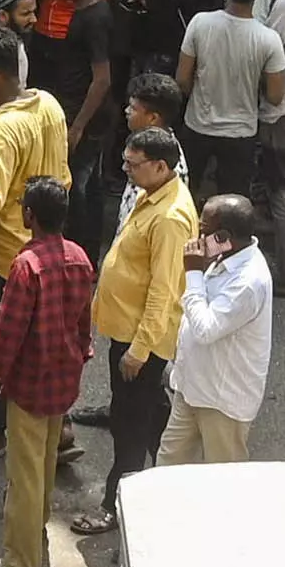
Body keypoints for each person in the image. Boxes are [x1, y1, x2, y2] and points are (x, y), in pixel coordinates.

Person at [77, 127, 196, 525]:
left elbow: (164, 290)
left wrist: (139, 351)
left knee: (127, 427)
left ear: (160, 166)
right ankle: (169, 477)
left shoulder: (170, 217)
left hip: (139, 341)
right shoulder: (153, 194)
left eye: (133, 163)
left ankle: (114, 506)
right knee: (148, 414)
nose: (125, 168)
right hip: (129, 331)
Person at [0, 180, 93, 567]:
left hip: (29, 383)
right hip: (63, 380)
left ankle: (21, 565)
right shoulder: (80, 258)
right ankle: (36, 527)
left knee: (23, 474)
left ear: (29, 215)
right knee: (43, 462)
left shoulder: (26, 265)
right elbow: (83, 325)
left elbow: (6, 333)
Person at [171, 196, 273, 461]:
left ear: (223, 236)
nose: (197, 237)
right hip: (191, 388)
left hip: (221, 402)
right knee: (168, 467)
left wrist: (193, 273)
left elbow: (206, 329)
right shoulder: (224, 256)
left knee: (222, 484)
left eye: (204, 231)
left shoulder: (249, 282)